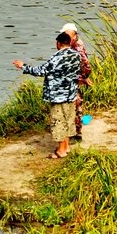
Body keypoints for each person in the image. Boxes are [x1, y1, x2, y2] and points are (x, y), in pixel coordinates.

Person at [14, 31, 81, 159]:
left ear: (58, 43)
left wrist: (24, 66)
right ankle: (66, 147)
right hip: (71, 93)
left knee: (59, 121)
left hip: (58, 95)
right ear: (70, 42)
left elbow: (41, 71)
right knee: (68, 120)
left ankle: (61, 151)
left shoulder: (57, 57)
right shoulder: (76, 55)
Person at [61, 22, 92, 136]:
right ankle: (75, 131)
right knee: (76, 104)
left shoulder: (77, 46)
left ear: (74, 36)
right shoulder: (71, 43)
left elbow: (86, 64)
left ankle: (75, 132)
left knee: (75, 103)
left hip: (74, 79)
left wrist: (83, 77)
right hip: (73, 78)